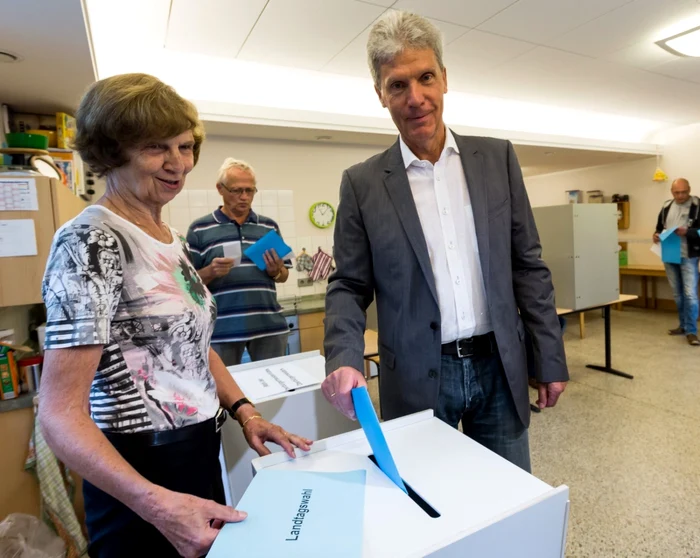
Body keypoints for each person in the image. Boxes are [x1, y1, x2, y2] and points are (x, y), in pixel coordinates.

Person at [39, 73, 312, 558]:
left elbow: (191, 344)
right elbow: (59, 417)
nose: (177, 164)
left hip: (195, 451)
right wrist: (157, 505)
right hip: (140, 470)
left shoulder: (167, 237)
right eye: (155, 147)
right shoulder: (92, 241)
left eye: (185, 147)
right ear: (112, 151)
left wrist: (245, 412)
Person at [320, 11, 568, 472]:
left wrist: (548, 356)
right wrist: (344, 355)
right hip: (415, 376)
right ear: (380, 94)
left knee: (505, 504)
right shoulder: (362, 184)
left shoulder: (497, 159)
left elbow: (528, 266)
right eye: (398, 85)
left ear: (444, 79)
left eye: (425, 78)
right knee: (428, 511)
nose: (416, 98)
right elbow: (348, 285)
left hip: (499, 367)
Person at [187, 159, 292, 366]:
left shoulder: (268, 226)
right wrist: (211, 271)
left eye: (250, 191)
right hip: (222, 331)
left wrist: (276, 271)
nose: (244, 197)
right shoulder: (199, 229)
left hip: (269, 327)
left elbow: (284, 275)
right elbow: (187, 284)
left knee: (274, 390)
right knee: (225, 396)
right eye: (236, 191)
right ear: (220, 189)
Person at [653, 178, 700, 346]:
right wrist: (656, 235)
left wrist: (688, 232)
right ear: (672, 192)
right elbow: (659, 228)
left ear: (689, 189)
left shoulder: (697, 206)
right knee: (678, 294)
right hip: (670, 253)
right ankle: (683, 325)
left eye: (684, 192)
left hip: (689, 255)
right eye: (676, 192)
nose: (680, 196)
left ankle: (692, 331)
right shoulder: (666, 207)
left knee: (690, 295)